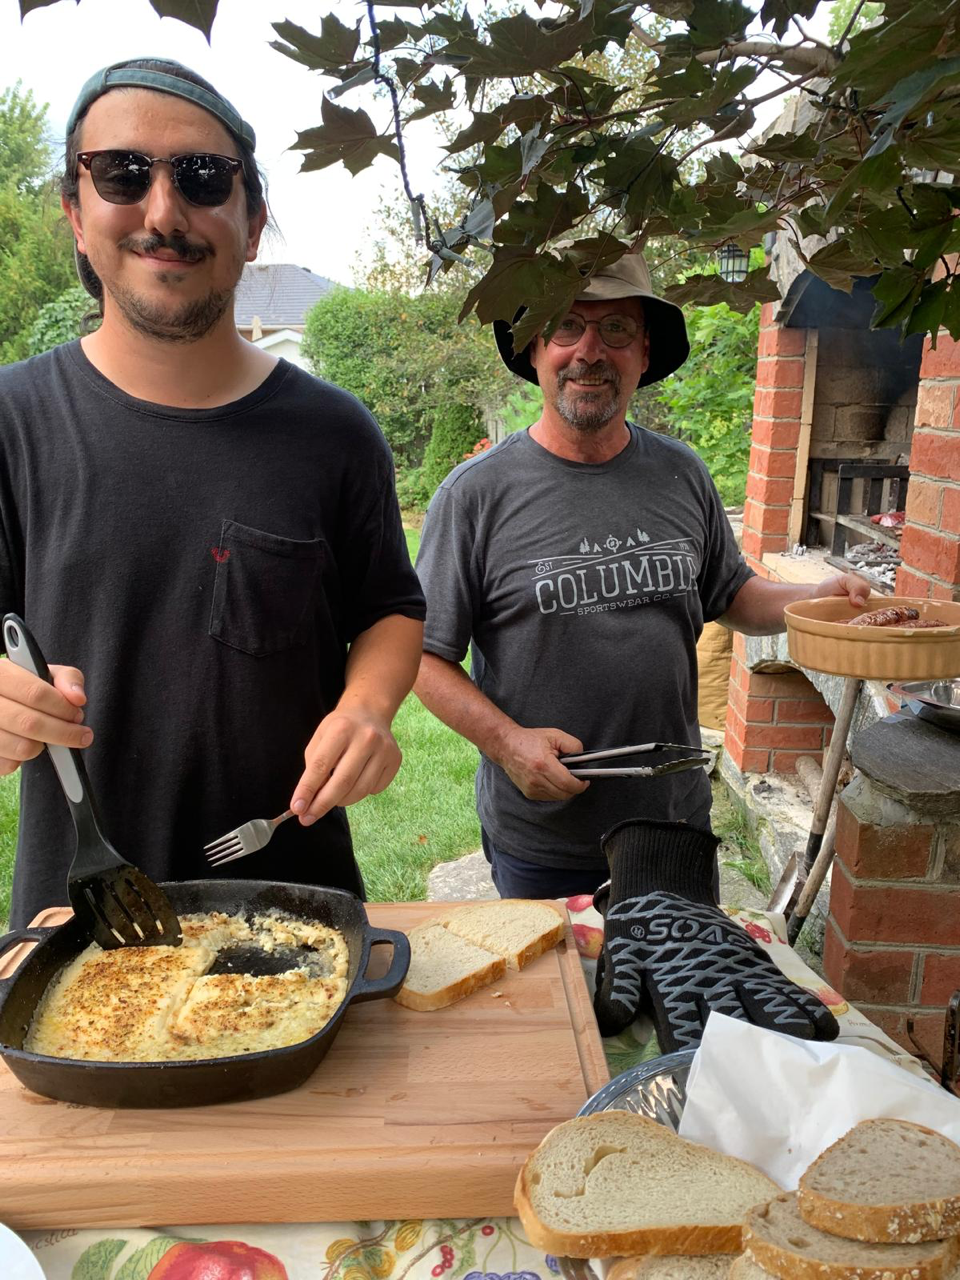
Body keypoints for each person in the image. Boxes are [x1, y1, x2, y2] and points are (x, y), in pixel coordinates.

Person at [0, 59, 425, 930]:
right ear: (78, 217)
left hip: (294, 904)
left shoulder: (335, 432)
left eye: (201, 177)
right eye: (122, 174)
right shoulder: (12, 421)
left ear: (252, 221)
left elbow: (389, 605)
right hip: (80, 915)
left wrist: (369, 707)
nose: (164, 213)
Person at [414, 252, 870, 900]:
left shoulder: (681, 473)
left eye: (616, 330)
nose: (589, 351)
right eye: (567, 326)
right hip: (548, 839)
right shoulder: (475, 496)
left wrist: (814, 596)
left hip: (673, 824)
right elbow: (422, 657)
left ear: (644, 351)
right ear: (537, 348)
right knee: (562, 1004)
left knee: (680, 999)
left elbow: (730, 592)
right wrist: (508, 744)